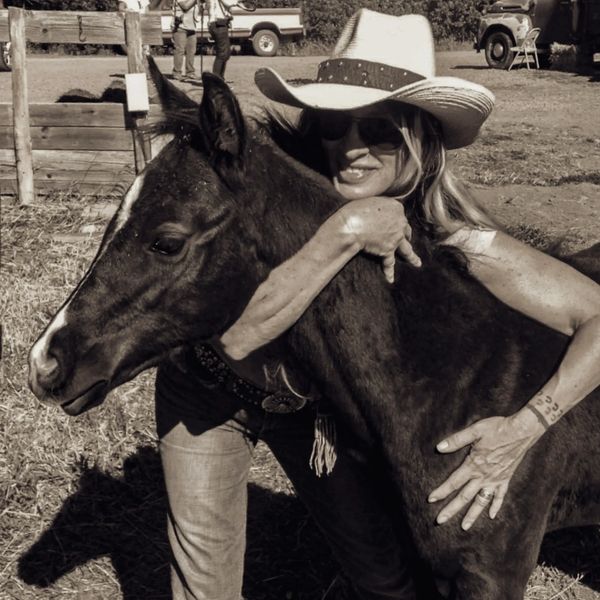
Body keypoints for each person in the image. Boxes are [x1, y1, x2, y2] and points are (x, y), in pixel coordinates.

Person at [156, 8, 600, 600]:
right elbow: (238, 339)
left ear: (422, 138)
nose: (351, 148)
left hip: (303, 408)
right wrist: (348, 229)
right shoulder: (279, 193)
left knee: (385, 579)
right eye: (334, 125)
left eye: (381, 130)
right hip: (210, 386)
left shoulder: (459, 243)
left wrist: (523, 429)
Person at [206, 0, 237, 79]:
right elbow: (230, 3)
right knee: (222, 54)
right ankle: (216, 81)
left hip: (218, 24)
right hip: (218, 24)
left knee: (225, 54)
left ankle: (220, 79)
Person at [172, 0, 199, 80]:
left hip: (192, 27)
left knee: (191, 51)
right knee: (179, 50)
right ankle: (177, 73)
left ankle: (190, 72)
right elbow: (185, 7)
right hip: (180, 27)